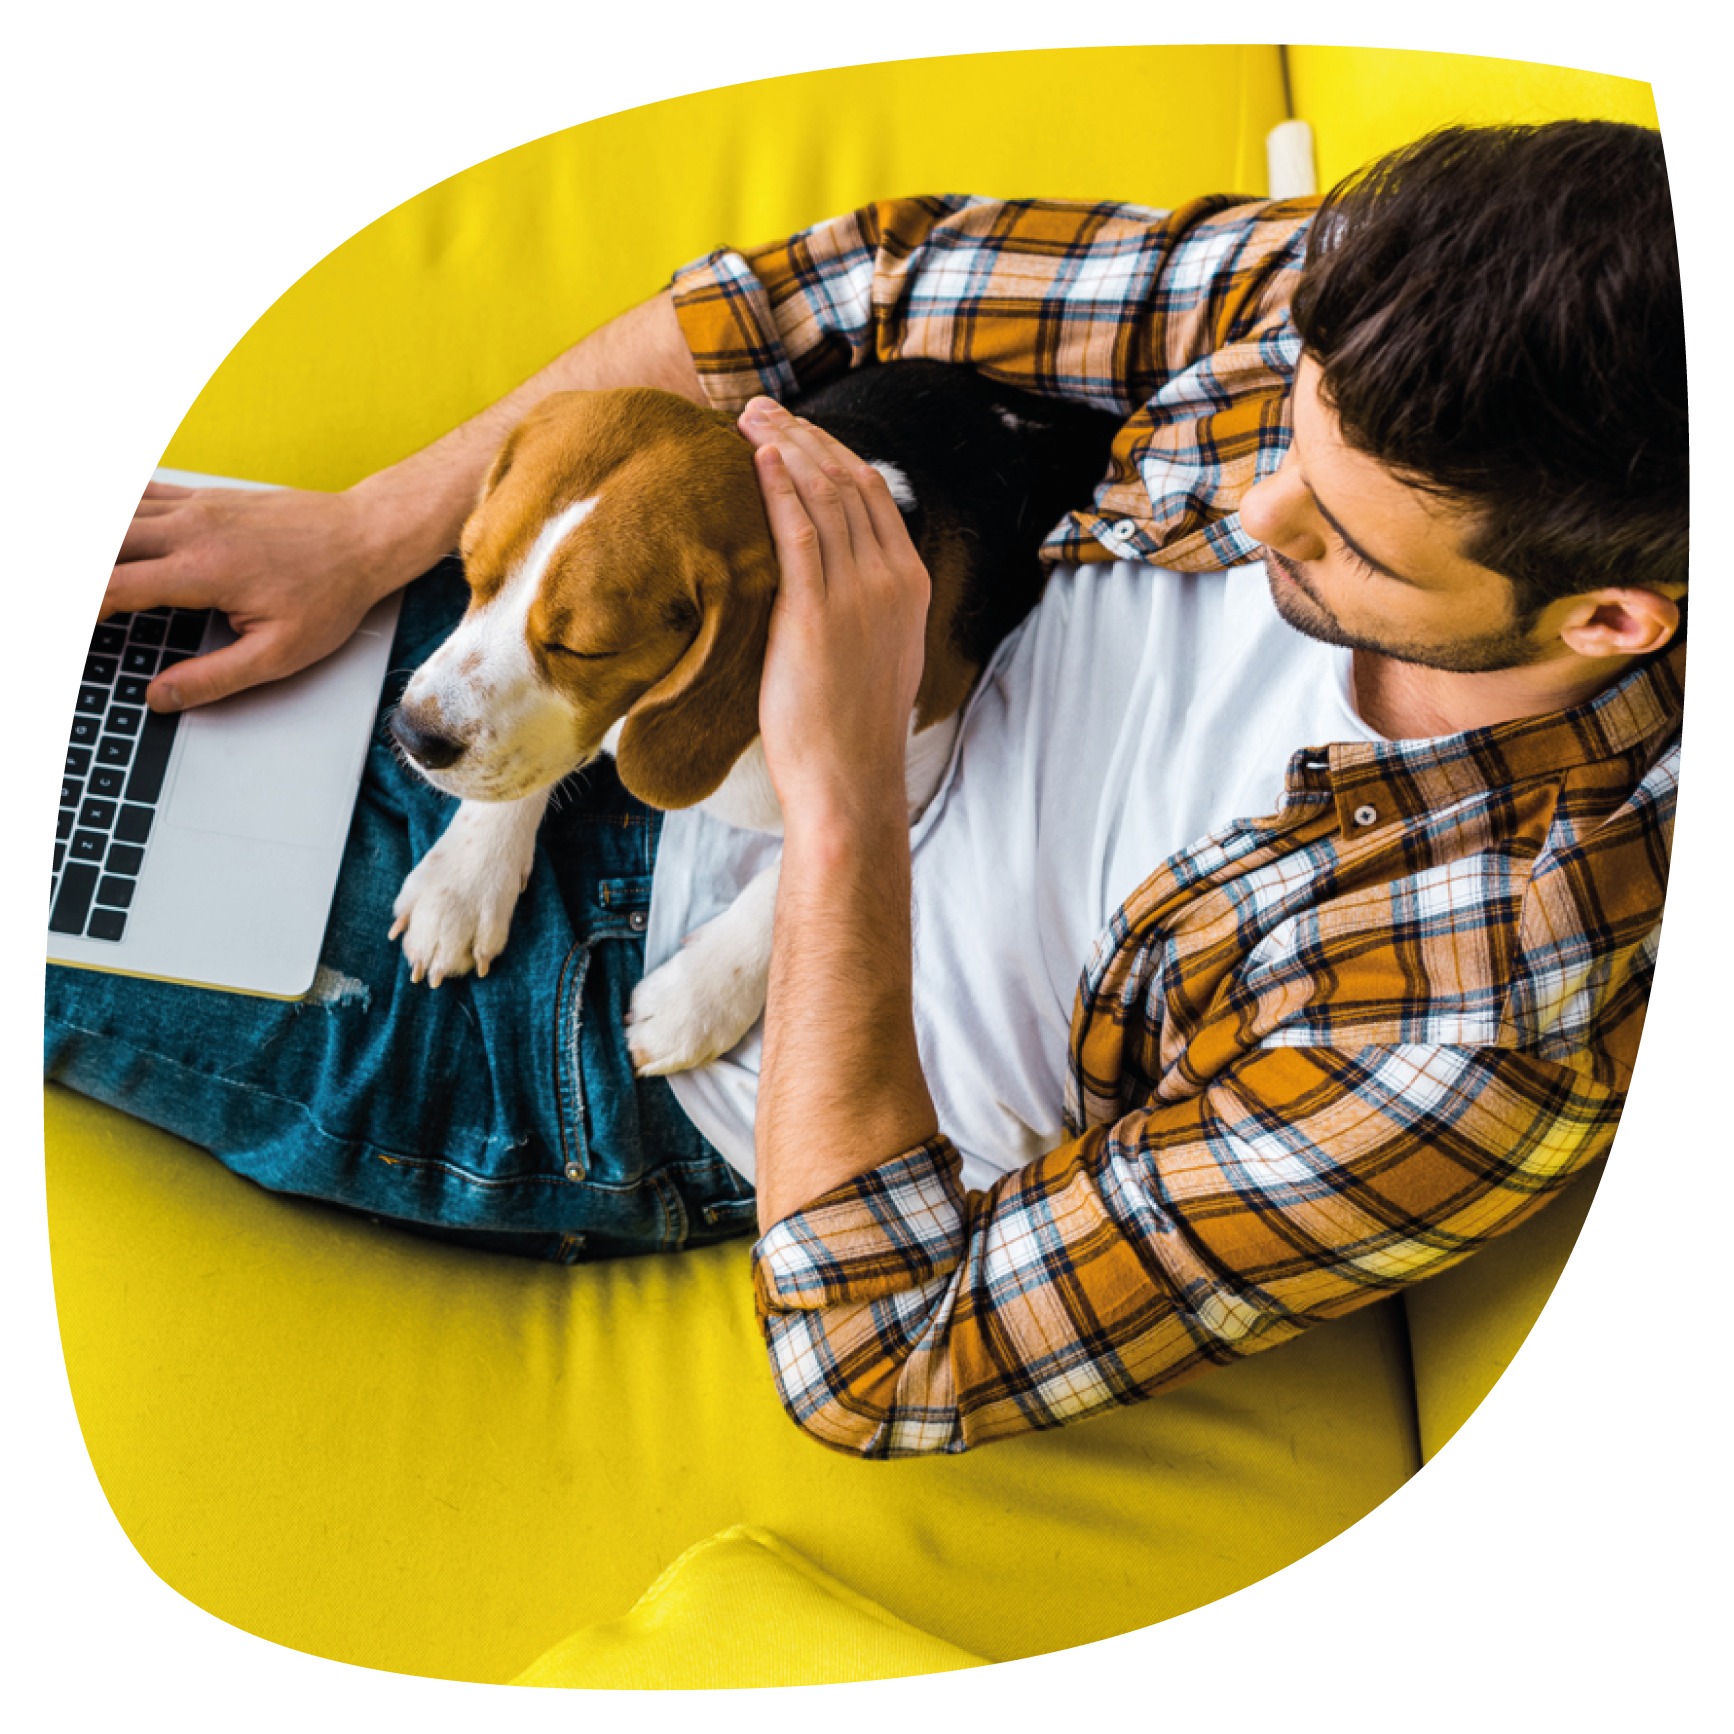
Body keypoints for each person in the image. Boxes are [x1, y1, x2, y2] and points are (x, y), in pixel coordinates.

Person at [49, 119, 1687, 1457]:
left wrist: (836, 803)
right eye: (1289, 439)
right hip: (605, 650)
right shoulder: (1373, 309)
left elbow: (889, 1358)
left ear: (1609, 622)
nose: (1256, 512)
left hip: (621, 1050)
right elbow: (831, 287)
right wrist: (363, 536)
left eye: (1340, 532)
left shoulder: (1488, 1019)